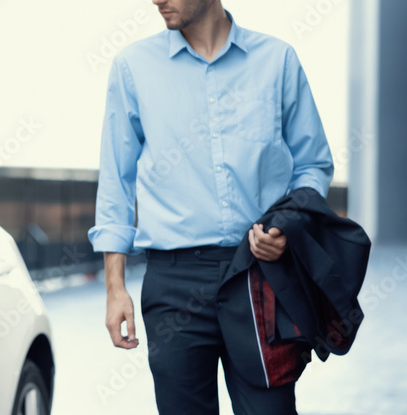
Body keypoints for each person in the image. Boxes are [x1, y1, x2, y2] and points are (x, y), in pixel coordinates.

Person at [87, 0, 334, 413]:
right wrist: (115, 288)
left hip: (261, 277)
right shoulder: (134, 67)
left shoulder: (277, 62)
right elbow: (116, 181)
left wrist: (287, 228)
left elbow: (312, 164)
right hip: (174, 284)